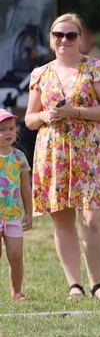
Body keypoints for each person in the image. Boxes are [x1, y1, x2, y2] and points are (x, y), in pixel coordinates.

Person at [24, 14, 100, 301]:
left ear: (81, 38)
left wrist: (75, 112)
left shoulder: (95, 68)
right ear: (51, 38)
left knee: (92, 219)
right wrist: (46, 115)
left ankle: (97, 284)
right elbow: (30, 119)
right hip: (54, 151)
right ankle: (74, 285)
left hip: (90, 152)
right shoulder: (41, 74)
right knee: (62, 220)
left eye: (71, 35)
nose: (64, 40)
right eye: (58, 34)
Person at [0, 109, 32, 301]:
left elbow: (26, 188)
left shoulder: (19, 157)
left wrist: (28, 212)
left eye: (11, 128)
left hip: (13, 216)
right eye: (2, 129)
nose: (8, 133)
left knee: (16, 257)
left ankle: (16, 292)